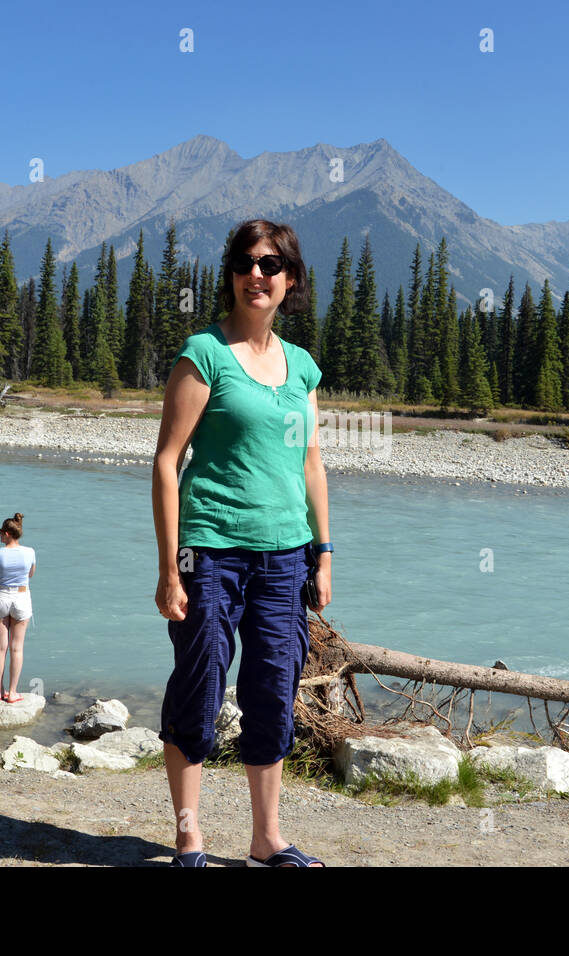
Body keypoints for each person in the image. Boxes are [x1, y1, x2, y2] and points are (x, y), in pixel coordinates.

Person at [153, 219, 332, 867]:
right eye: (247, 262)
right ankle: (189, 836)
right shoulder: (204, 354)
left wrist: (324, 551)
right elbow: (168, 461)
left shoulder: (303, 367)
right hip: (209, 550)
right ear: (231, 275)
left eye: (273, 263)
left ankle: (266, 839)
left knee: (271, 690)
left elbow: (311, 464)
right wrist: (170, 568)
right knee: (199, 688)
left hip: (285, 557)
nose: (259, 274)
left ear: (291, 280)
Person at [0, 512, 35, 703]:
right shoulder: (30, 552)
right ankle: (13, 692)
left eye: (0, 532)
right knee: (17, 648)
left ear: (7, 534)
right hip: (22, 596)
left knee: (0, 647)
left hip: (2, 596)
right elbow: (30, 574)